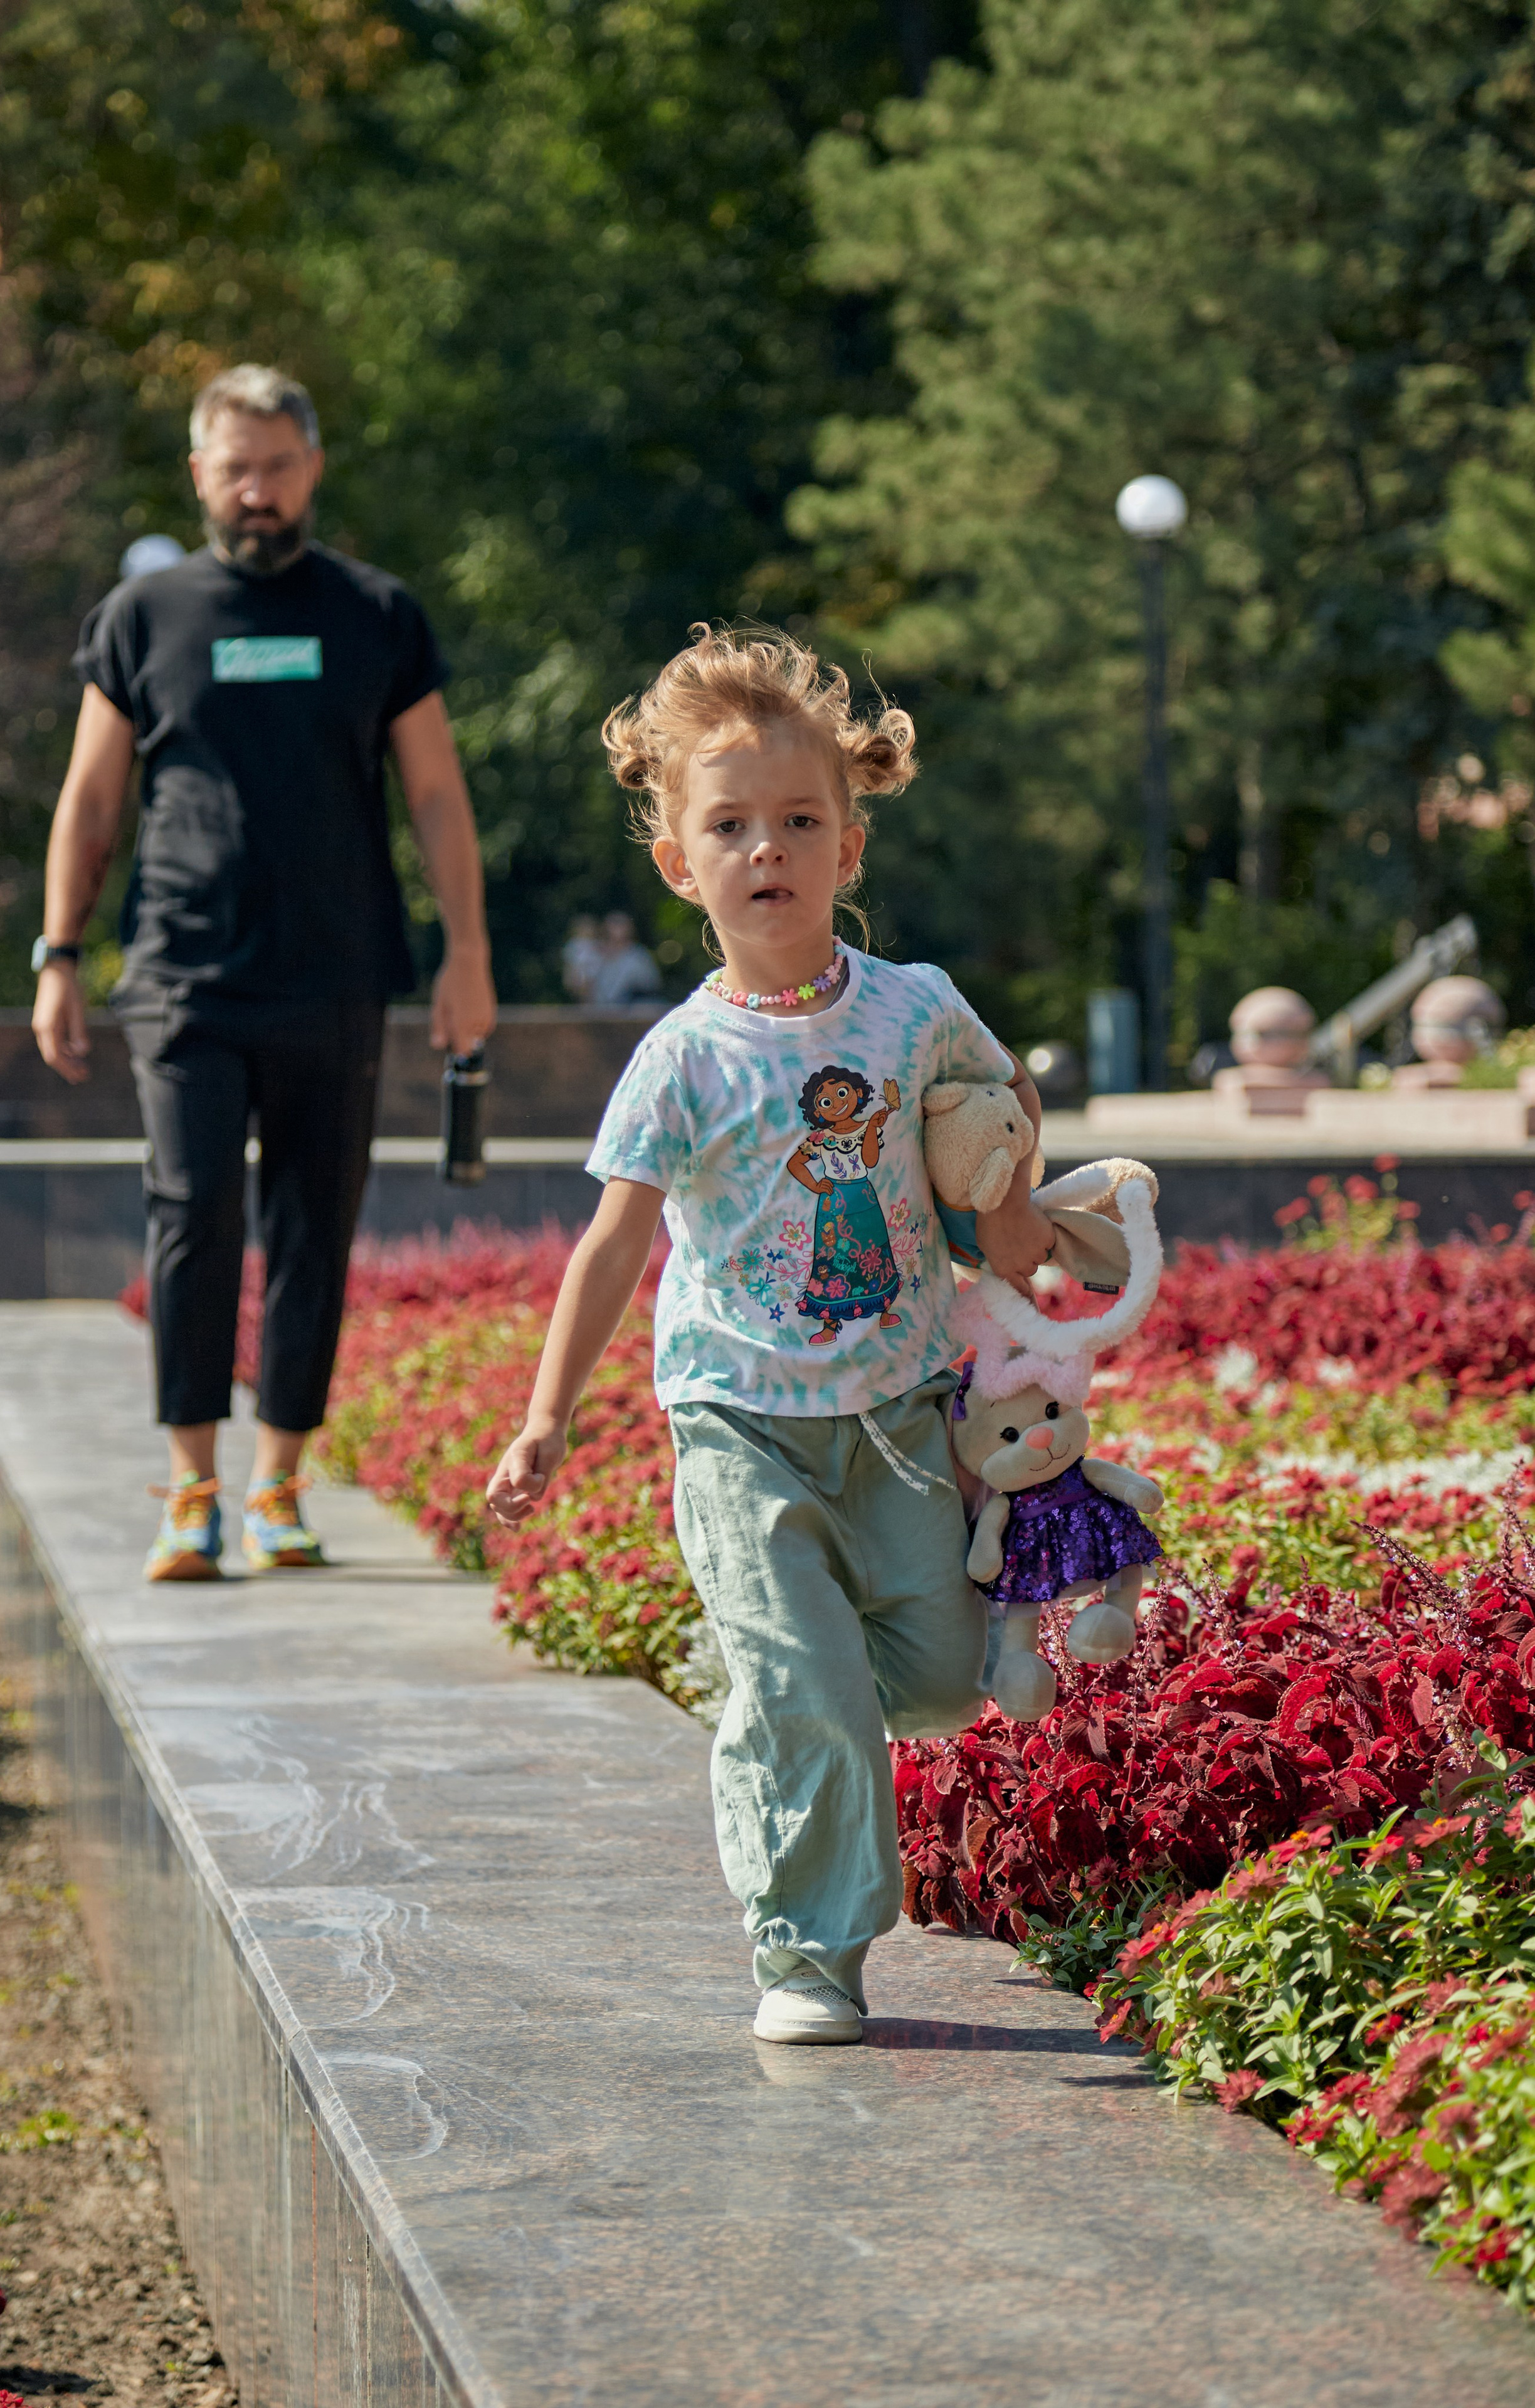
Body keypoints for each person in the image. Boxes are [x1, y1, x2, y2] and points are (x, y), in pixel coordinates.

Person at [485, 625, 1053, 2044]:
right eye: (729, 824)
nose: (767, 848)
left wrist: (1025, 1224)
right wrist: (547, 1412)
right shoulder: (679, 1057)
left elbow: (1001, 1145)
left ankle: (766, 1680)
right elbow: (614, 1241)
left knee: (924, 1684)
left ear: (847, 844)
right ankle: (807, 1953)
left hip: (901, 1414)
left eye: (799, 821)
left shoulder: (917, 1009)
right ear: (681, 863)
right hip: (736, 1419)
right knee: (807, 1687)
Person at [32, 364, 495, 1582]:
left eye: (277, 466)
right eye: (234, 468)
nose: (256, 490)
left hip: (337, 975)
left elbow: (436, 794)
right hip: (183, 973)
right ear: (199, 474)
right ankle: (191, 1490)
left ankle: (278, 1484)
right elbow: (90, 800)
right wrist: (58, 953)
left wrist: (468, 952)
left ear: (312, 467)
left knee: (311, 1226)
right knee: (191, 1212)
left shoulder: (374, 614)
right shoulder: (144, 619)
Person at [586, 908, 663, 1007]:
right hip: (599, 1011)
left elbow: (651, 984)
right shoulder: (594, 954)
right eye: (614, 924)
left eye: (621, 924)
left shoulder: (638, 954)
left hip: (632, 1010)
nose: (618, 929)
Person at [561, 913, 604, 1002]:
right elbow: (571, 962)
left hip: (595, 974)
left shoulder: (597, 944)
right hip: (580, 973)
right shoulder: (574, 944)